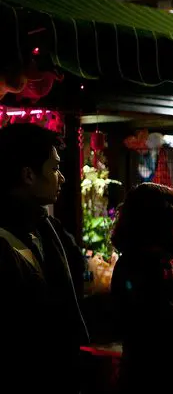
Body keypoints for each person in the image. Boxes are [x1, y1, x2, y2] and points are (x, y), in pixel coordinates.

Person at [0, 123, 88, 393]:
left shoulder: (46, 228)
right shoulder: (10, 237)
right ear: (28, 174)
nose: (61, 178)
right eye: (54, 168)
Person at [110, 183, 173, 394]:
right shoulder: (145, 264)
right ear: (163, 219)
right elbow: (168, 324)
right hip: (153, 375)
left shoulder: (162, 259)